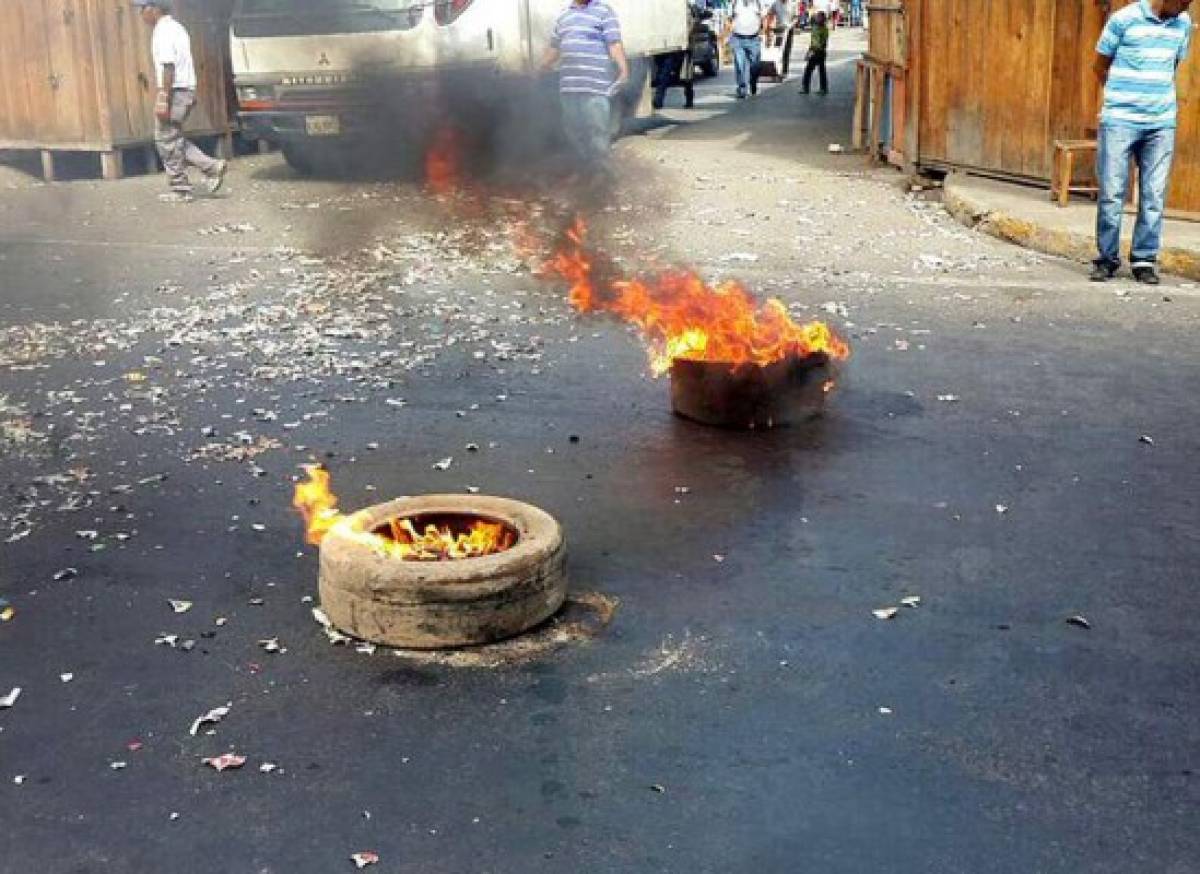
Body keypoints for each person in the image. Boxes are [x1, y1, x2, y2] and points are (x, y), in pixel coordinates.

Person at [1091, 0, 1194, 285]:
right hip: (1120, 119)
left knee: (1154, 195)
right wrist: (1119, 98)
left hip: (1161, 122)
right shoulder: (1123, 19)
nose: (1186, 7)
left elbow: (1171, 64)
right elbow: (1099, 64)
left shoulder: (1183, 23)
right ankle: (1106, 259)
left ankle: (1144, 260)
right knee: (1112, 192)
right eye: (1184, 1)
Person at [133, 0, 225, 203]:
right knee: (171, 138)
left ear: (154, 8)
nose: (140, 14)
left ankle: (181, 188)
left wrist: (163, 96)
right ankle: (210, 167)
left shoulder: (163, 31)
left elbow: (168, 66)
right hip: (186, 89)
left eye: (142, 8)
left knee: (165, 139)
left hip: (176, 90)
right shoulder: (177, 27)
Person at [543, 0, 630, 179]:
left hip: (595, 86)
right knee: (574, 130)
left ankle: (601, 174)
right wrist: (541, 66)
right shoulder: (563, 15)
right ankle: (585, 170)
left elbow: (614, 43)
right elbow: (554, 47)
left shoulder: (603, 11)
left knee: (597, 130)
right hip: (569, 87)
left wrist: (623, 68)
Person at [727, 0, 767, 99]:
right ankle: (742, 89)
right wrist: (727, 34)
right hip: (738, 38)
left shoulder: (758, 3)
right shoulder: (735, 3)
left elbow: (764, 18)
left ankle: (753, 82)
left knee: (755, 66)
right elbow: (729, 19)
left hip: (754, 39)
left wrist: (764, 32)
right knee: (740, 65)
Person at [800, 11, 830, 95]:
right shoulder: (815, 28)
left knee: (820, 70)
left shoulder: (824, 29)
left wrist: (820, 50)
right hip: (814, 50)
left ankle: (823, 89)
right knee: (809, 70)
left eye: (819, 17)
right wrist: (809, 51)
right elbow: (812, 41)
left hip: (819, 51)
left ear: (823, 19)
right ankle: (806, 88)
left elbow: (824, 42)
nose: (817, 18)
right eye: (817, 17)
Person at [769, 0, 797, 77]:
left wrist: (791, 25)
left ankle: (785, 71)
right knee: (777, 50)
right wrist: (771, 25)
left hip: (788, 29)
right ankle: (775, 69)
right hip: (779, 29)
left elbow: (795, 18)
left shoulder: (792, 4)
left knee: (786, 50)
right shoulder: (775, 3)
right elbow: (770, 14)